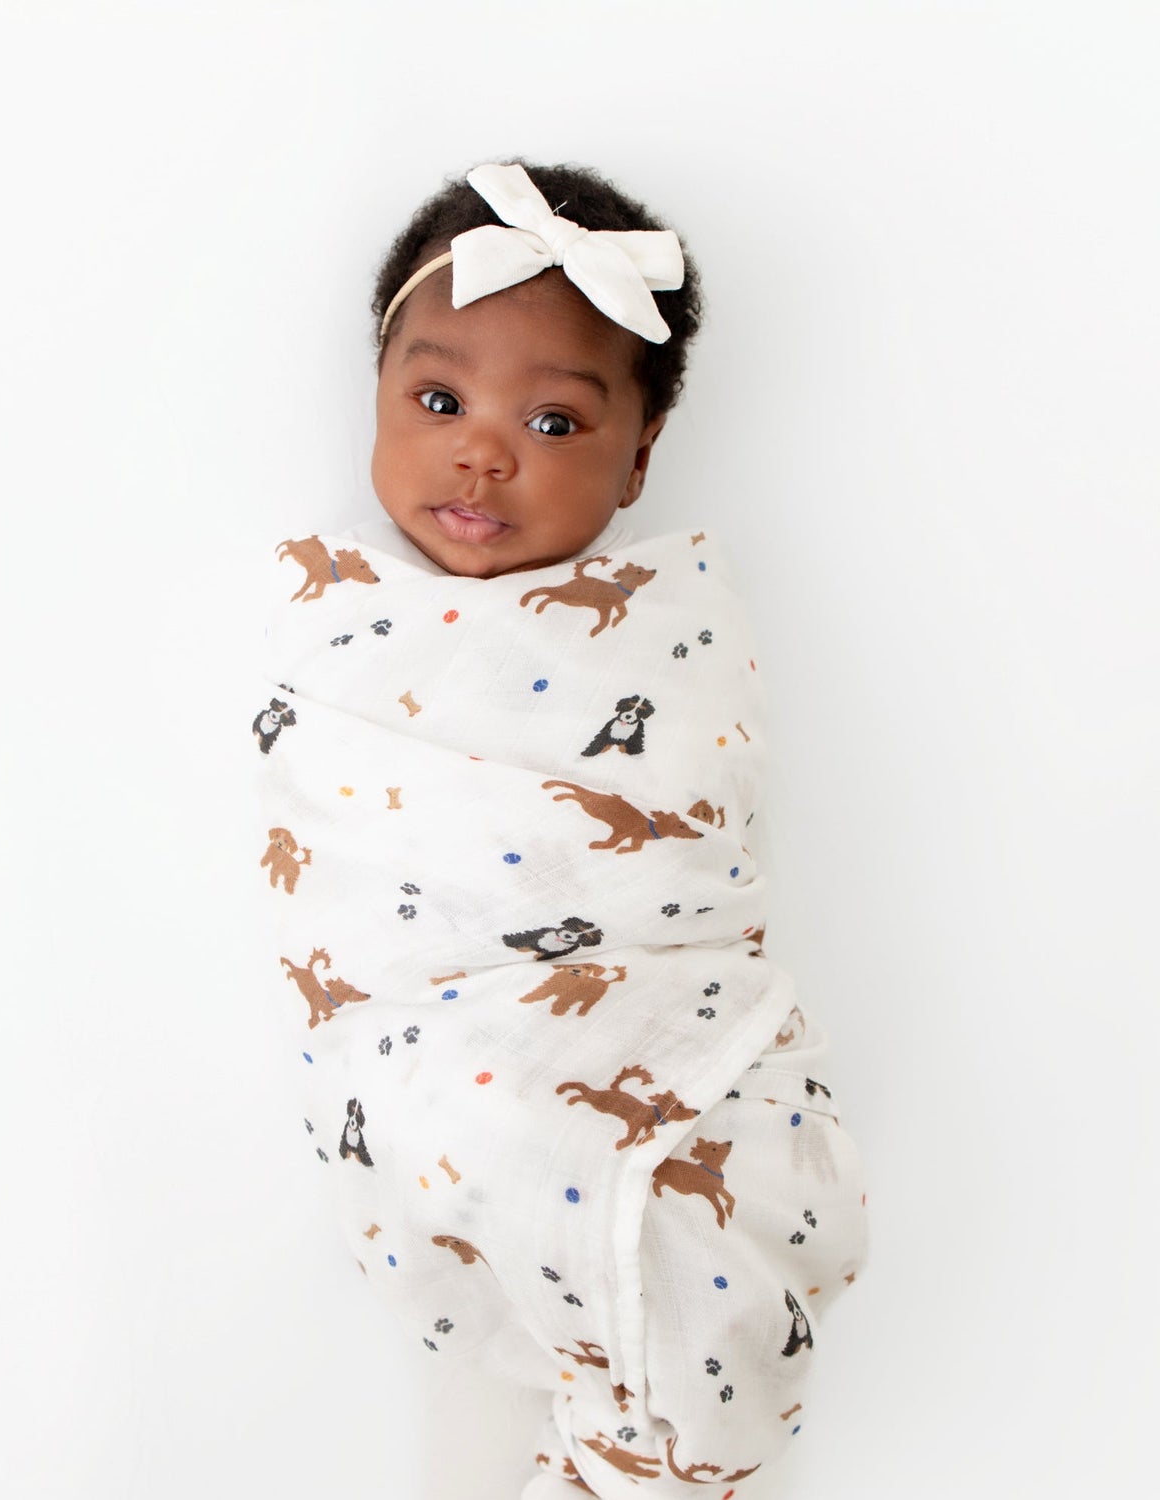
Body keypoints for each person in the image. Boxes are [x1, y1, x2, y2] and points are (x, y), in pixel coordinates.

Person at [255, 162, 870, 1498]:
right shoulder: (341, 625)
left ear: (639, 456)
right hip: (437, 1071)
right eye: (439, 402)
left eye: (552, 420)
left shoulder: (673, 634)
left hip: (658, 1033)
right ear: (376, 395)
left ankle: (650, 1435)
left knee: (692, 1254)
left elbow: (693, 855)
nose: (485, 451)